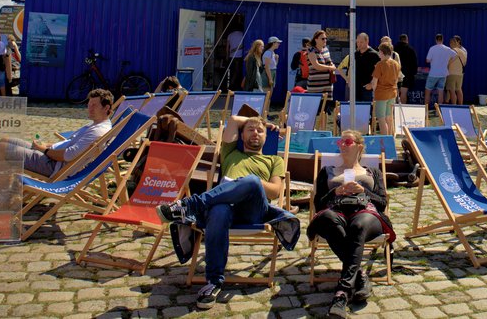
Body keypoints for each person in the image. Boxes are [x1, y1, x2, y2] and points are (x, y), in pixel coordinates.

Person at [158, 115, 295, 310]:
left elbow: (274, 191)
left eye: (260, 131)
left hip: (252, 210)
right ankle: (213, 282)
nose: (256, 133)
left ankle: (191, 204)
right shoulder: (229, 151)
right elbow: (232, 119)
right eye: (250, 130)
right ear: (241, 134)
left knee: (252, 181)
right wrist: (257, 121)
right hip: (223, 207)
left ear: (266, 137)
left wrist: (249, 181)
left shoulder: (273, 160)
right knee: (219, 210)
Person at [307, 129, 395, 318]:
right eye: (340, 142)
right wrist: (335, 192)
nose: (342, 145)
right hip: (335, 212)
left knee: (358, 226)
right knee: (326, 219)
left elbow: (382, 202)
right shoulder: (327, 171)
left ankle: (342, 293)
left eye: (347, 142)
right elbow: (317, 204)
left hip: (366, 212)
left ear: (359, 147)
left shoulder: (372, 172)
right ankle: (360, 276)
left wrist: (363, 190)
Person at [0, 88, 114, 177]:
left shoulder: (98, 131)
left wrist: (44, 150)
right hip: (52, 155)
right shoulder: (96, 124)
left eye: (94, 105)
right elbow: (70, 143)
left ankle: (1, 190)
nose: (89, 108)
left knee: (0, 149)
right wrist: (47, 145)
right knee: (5, 140)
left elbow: (69, 155)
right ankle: (7, 184)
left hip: (54, 166)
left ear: (106, 108)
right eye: (89, 104)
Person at [366, 43, 401, 135]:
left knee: (381, 119)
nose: (378, 53)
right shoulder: (396, 64)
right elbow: (398, 78)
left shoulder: (380, 64)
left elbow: (374, 82)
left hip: (381, 94)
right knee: (389, 118)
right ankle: (392, 138)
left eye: (379, 52)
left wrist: (373, 91)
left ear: (381, 52)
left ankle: (385, 140)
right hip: (392, 93)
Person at [425, 33, 456, 106]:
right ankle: (438, 111)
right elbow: (455, 55)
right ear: (442, 39)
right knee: (441, 92)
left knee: (427, 91)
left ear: (436, 40)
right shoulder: (447, 49)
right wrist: (449, 61)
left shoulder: (432, 48)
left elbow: (427, 60)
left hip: (433, 73)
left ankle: (426, 111)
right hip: (443, 73)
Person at [307, 30, 339, 96]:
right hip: (315, 87)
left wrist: (332, 65)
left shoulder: (326, 49)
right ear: (316, 39)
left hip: (328, 86)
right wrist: (330, 67)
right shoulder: (311, 50)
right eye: (323, 39)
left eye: (326, 38)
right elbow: (316, 66)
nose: (325, 40)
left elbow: (329, 62)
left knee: (328, 105)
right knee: (316, 106)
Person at [353, 33, 381, 102]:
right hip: (356, 88)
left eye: (361, 42)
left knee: (367, 110)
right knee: (355, 110)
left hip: (368, 89)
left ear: (367, 41)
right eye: (357, 42)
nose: (359, 44)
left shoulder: (374, 55)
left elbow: (379, 71)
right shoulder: (355, 54)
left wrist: (372, 84)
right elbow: (351, 68)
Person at [395, 34, 418, 103]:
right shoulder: (411, 49)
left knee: (395, 93)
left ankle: (394, 110)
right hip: (407, 75)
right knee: (403, 93)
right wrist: (413, 73)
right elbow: (414, 63)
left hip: (395, 74)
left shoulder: (394, 49)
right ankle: (402, 109)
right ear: (407, 40)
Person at [445, 35, 467, 105]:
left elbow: (447, 62)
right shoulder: (463, 52)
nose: (449, 44)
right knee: (459, 90)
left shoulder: (451, 51)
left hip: (451, 73)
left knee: (452, 91)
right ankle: (460, 105)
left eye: (450, 43)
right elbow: (464, 63)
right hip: (460, 74)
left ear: (453, 43)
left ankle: (453, 106)